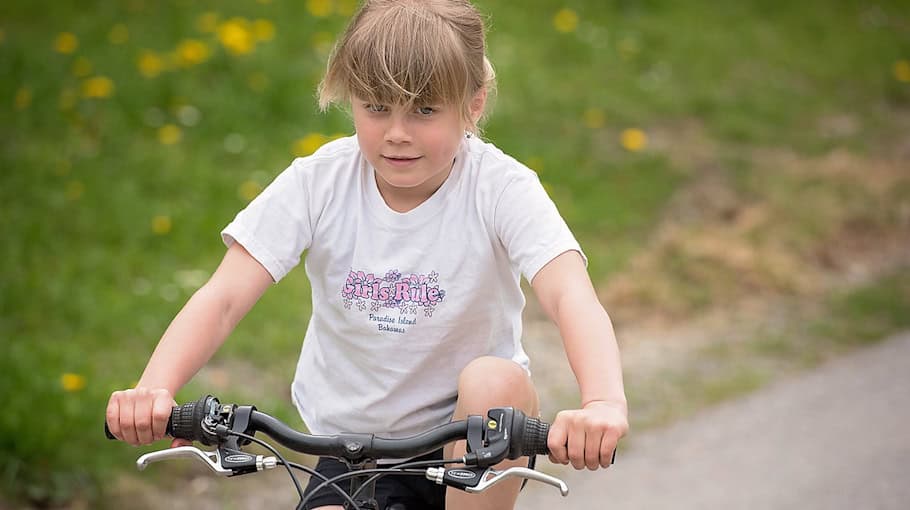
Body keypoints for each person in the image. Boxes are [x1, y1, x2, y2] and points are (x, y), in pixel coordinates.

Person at [105, 1, 628, 508]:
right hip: (347, 447)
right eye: (376, 107)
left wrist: (602, 402)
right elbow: (222, 297)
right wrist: (155, 390)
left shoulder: (501, 188)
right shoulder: (319, 182)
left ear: (474, 103)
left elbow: (569, 297)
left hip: (472, 441)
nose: (397, 134)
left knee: (493, 380)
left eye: (424, 110)